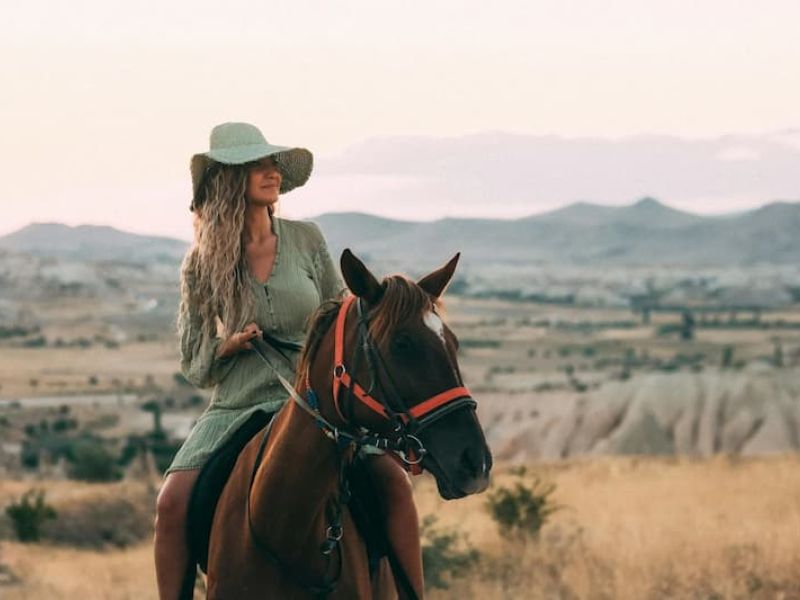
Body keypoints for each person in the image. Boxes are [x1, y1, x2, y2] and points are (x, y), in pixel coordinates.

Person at [153, 122, 423, 599]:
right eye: (257, 165)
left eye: (272, 163)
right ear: (230, 177)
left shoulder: (306, 239)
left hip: (319, 400)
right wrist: (229, 344)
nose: (270, 172)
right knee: (172, 504)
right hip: (239, 404)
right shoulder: (201, 263)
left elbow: (343, 315)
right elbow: (195, 365)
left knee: (393, 485)